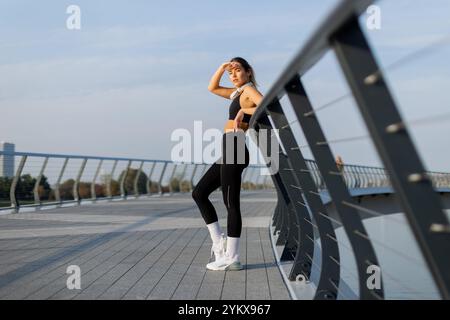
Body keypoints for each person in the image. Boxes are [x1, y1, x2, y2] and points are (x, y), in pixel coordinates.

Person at [192, 57, 263, 271]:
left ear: (248, 72)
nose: (233, 75)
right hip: (229, 150)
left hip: (236, 149)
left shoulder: (249, 90)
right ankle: (219, 243)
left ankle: (232, 256)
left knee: (231, 203)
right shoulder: (238, 93)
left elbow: (266, 104)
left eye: (237, 70)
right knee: (199, 193)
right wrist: (222, 67)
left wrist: (245, 112)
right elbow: (212, 87)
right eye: (231, 72)